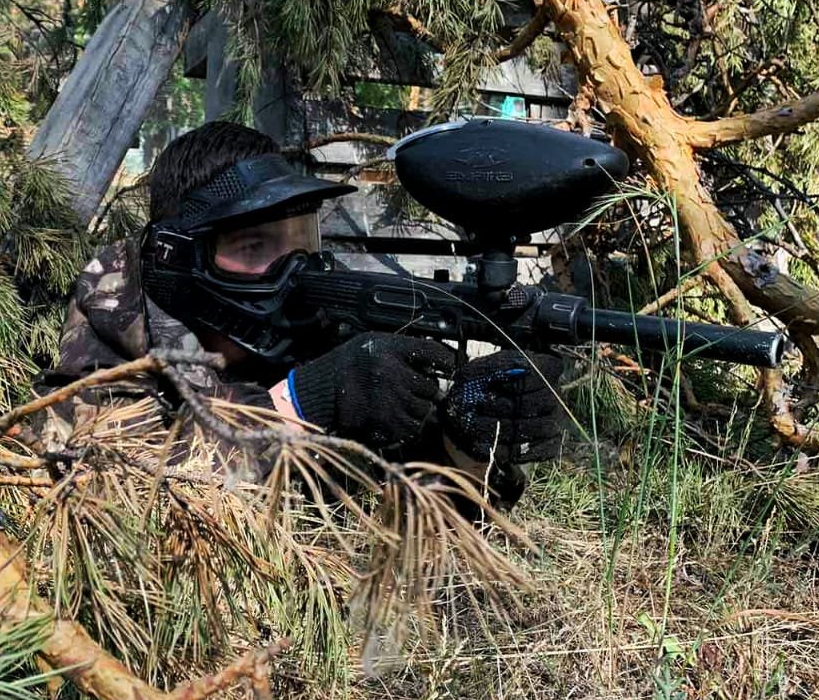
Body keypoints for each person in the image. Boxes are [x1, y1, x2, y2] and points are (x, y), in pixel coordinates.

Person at [42, 120, 565, 505]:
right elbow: (108, 489)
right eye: (253, 246)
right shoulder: (115, 316)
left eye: (299, 240)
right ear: (179, 260)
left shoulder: (321, 331)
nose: (292, 270)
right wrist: (296, 408)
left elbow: (394, 527)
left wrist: (462, 447)